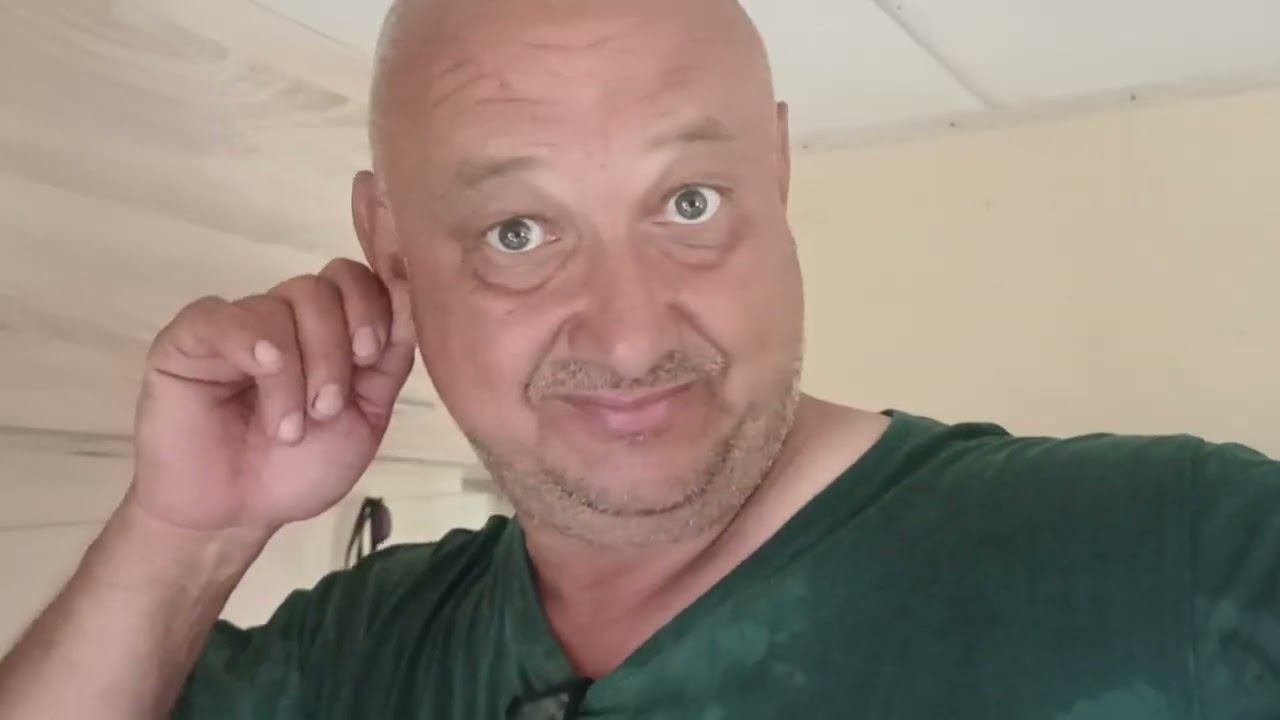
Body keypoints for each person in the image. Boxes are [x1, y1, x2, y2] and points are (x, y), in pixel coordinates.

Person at [1, 0, 1278, 717]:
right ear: (392, 250)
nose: (628, 335)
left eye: (687, 204)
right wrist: (185, 534)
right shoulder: (355, 651)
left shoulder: (1179, 555)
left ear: (775, 173)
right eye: (518, 232)